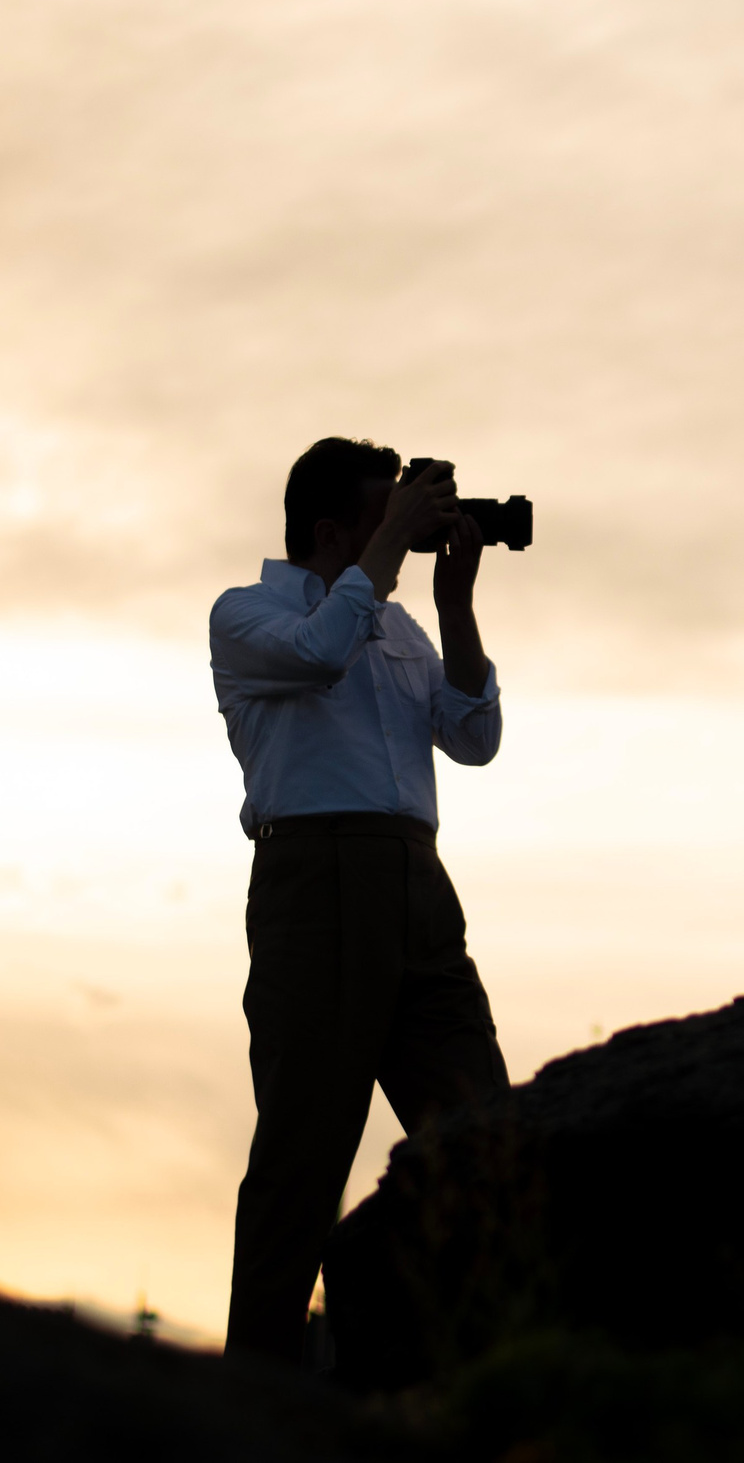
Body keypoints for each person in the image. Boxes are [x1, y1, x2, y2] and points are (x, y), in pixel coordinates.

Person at [209, 436, 511, 1363]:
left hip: (418, 885)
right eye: (391, 519)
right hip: (319, 878)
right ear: (333, 528)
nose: (408, 536)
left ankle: (496, 1361)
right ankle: (252, 1395)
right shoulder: (249, 612)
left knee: (486, 1134)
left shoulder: (402, 626)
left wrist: (454, 610)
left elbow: (474, 735)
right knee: (304, 1153)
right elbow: (320, 649)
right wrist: (381, 568)